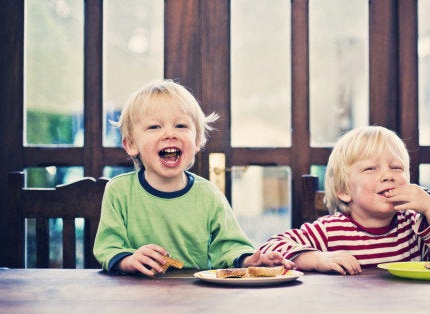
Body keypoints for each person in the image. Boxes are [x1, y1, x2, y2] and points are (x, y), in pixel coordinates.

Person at [93, 79, 293, 276]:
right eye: (154, 127)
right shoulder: (118, 191)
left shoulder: (208, 194)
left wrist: (250, 260)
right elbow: (108, 247)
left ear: (197, 141)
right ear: (130, 144)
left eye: (181, 126)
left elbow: (229, 247)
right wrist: (128, 260)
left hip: (193, 295)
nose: (169, 134)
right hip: (132, 295)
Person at [259, 126, 430, 275]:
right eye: (371, 168)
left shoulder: (415, 226)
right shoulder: (329, 231)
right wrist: (318, 259)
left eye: (396, 168)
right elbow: (271, 248)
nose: (388, 175)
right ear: (344, 190)